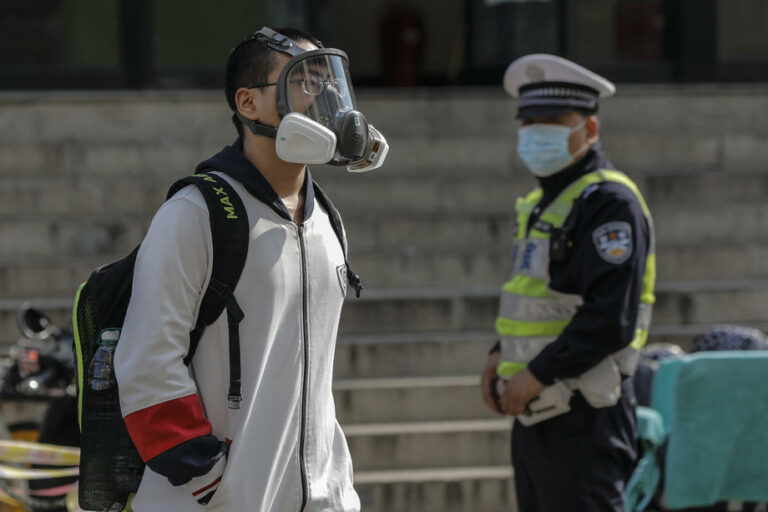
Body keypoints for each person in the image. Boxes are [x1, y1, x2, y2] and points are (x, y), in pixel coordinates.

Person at [113, 26, 388, 511]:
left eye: (330, 81)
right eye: (306, 81)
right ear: (249, 103)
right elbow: (146, 365)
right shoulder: (194, 214)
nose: (325, 97)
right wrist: (211, 482)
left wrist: (336, 489)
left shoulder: (326, 220)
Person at [480, 54, 656, 512]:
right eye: (528, 122)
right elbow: (535, 299)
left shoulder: (610, 202)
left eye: (553, 122)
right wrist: (499, 355)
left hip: (584, 413)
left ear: (589, 129)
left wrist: (534, 375)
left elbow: (610, 318)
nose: (536, 132)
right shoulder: (542, 203)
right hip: (537, 409)